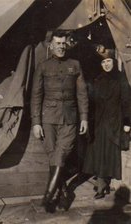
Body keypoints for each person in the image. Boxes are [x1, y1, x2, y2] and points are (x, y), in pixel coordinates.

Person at [31, 30, 88, 212]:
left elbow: (82, 94)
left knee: (61, 154)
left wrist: (84, 117)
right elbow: (36, 96)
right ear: (51, 45)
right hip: (48, 119)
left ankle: (47, 198)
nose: (62, 46)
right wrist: (36, 122)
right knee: (54, 156)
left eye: (64, 43)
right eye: (58, 43)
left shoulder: (75, 65)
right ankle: (63, 192)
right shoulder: (43, 66)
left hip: (70, 118)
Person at [82, 46, 131, 199]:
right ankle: (103, 184)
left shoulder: (121, 78)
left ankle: (102, 186)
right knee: (99, 153)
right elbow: (91, 101)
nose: (106, 65)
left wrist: (127, 121)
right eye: (103, 63)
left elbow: (126, 101)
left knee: (108, 154)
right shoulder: (97, 79)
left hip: (114, 122)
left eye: (109, 61)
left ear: (114, 62)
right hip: (99, 121)